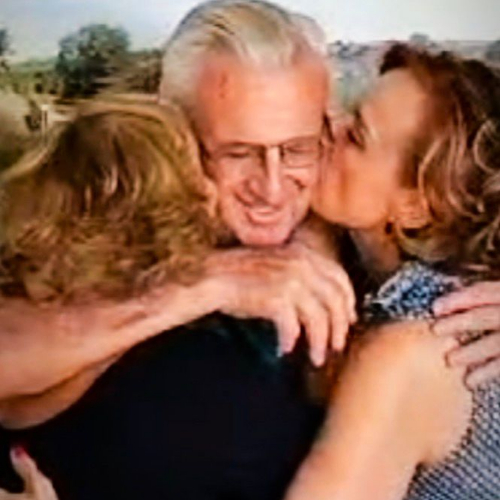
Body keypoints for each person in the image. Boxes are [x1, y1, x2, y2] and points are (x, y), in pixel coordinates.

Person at [285, 44, 500, 500]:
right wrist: (312, 234)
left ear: (417, 205)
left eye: (357, 137)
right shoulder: (432, 293)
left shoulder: (412, 349)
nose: (329, 128)